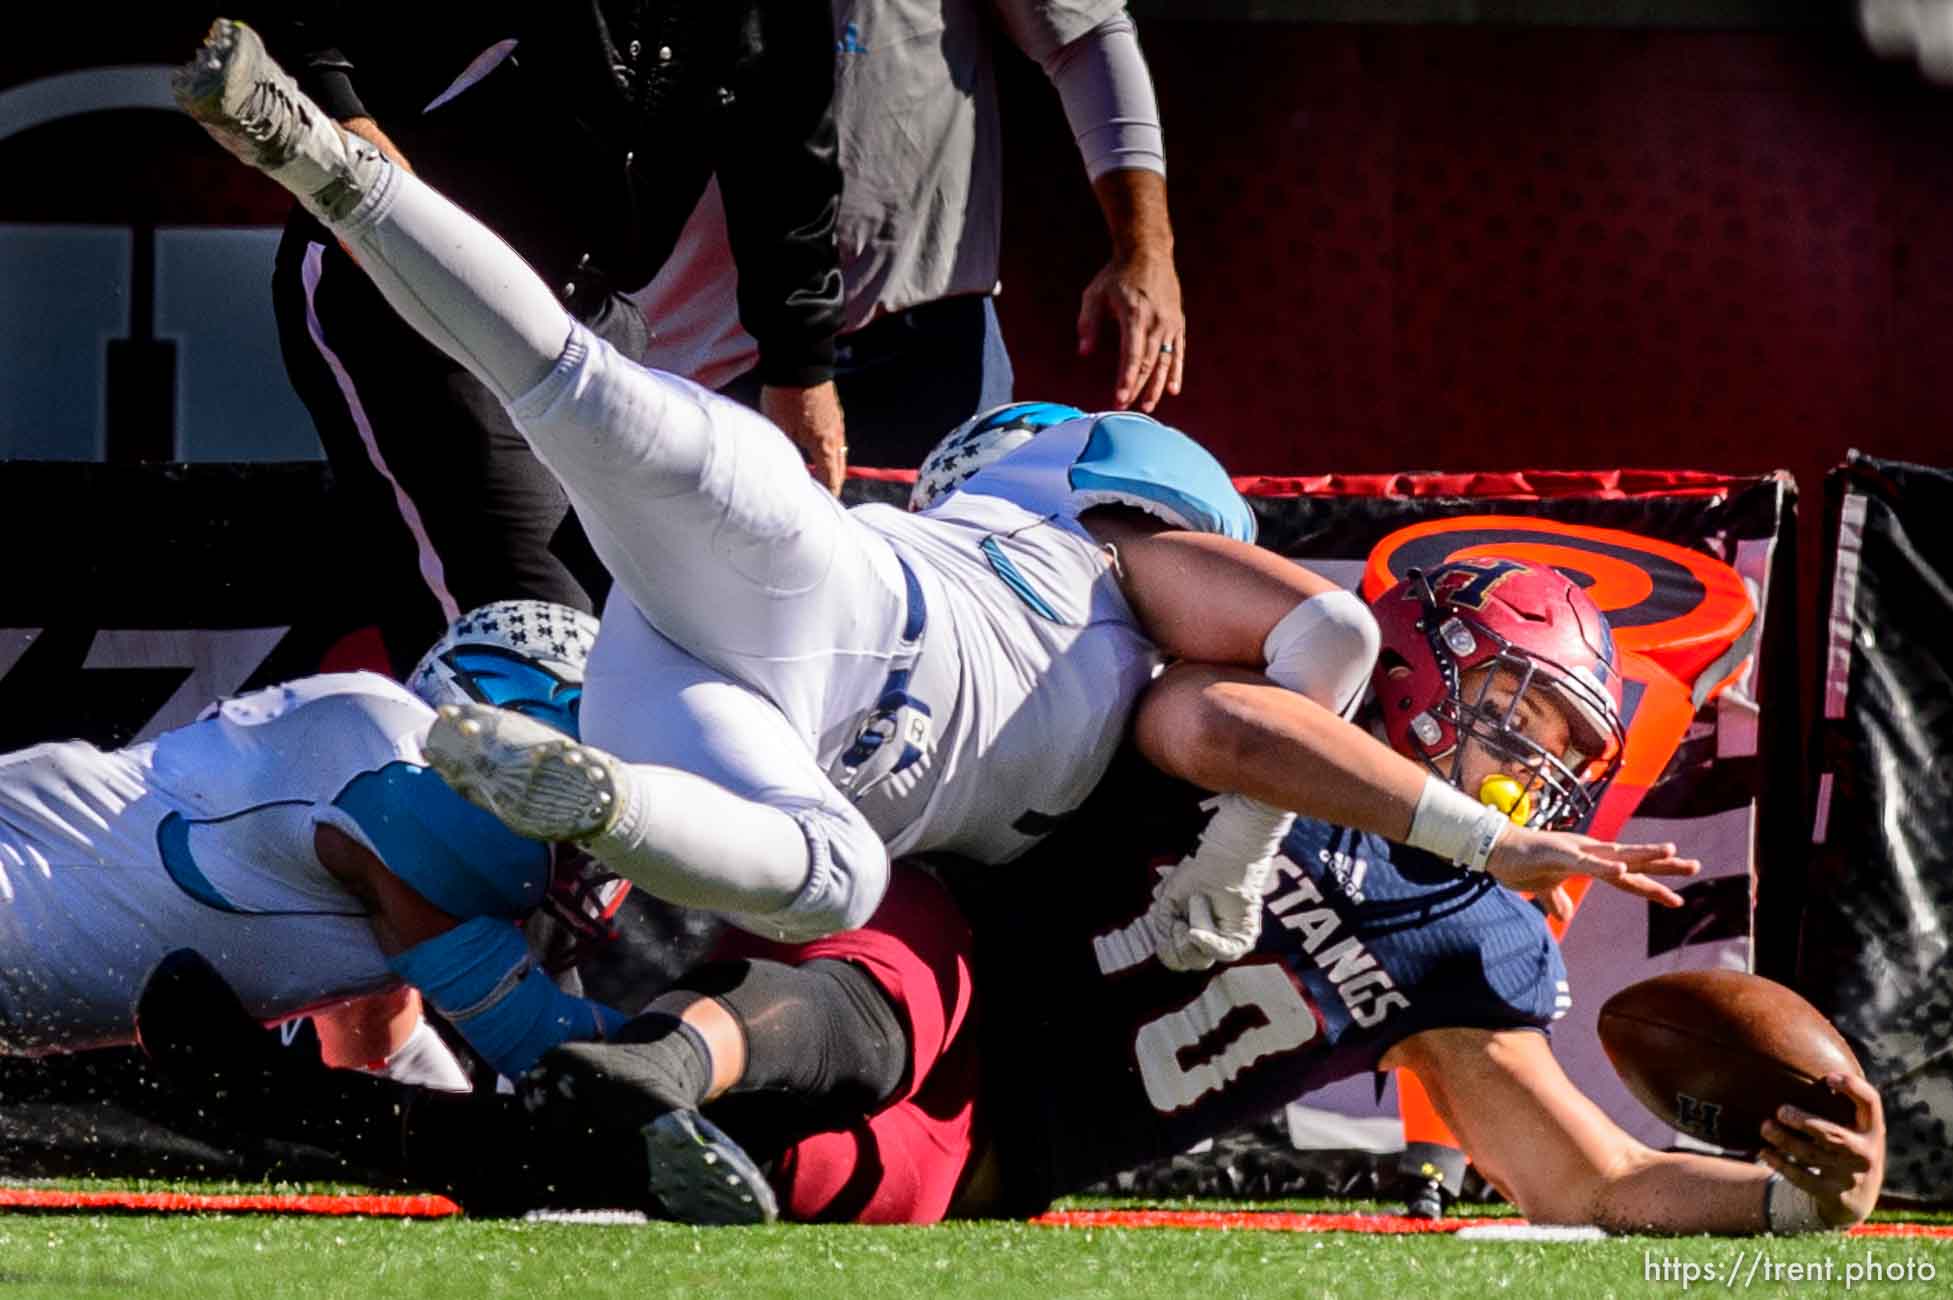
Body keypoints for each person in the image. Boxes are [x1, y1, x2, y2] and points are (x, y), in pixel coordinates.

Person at [174, 21, 1692, 968]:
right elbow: (1316, 661)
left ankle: (342, 175)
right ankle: (609, 817)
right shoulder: (1131, 586)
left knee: (572, 386)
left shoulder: (1106, 627)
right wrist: (1283, 864)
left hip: (763, 634)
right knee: (814, 877)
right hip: (830, 643)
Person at [134, 560, 1884, 1233]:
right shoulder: (1284, 727)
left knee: (768, 1185)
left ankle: (340, 1128)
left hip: (999, 1146)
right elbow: (1203, 711)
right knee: (896, 977)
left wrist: (1793, 1200)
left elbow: (1582, 1174)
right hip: (954, 946)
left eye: (1545, 745)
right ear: (1416, 677)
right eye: (1496, 717)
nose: (1520, 772)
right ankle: (675, 1064)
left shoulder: (1476, 939)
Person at [246, 4, 848, 675]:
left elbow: (788, 147)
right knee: (531, 647)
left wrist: (800, 365)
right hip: (418, 300)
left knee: (639, 644)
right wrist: (345, 123)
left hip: (590, 313)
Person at [0, 600, 628, 1087]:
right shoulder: (394, 761)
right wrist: (714, 1042)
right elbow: (539, 1046)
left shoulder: (385, 866)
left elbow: (379, 1056)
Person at [632, 0, 1186, 468]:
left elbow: (1084, 35)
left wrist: (1146, 250)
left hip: (917, 345)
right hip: (675, 353)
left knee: (938, 588)